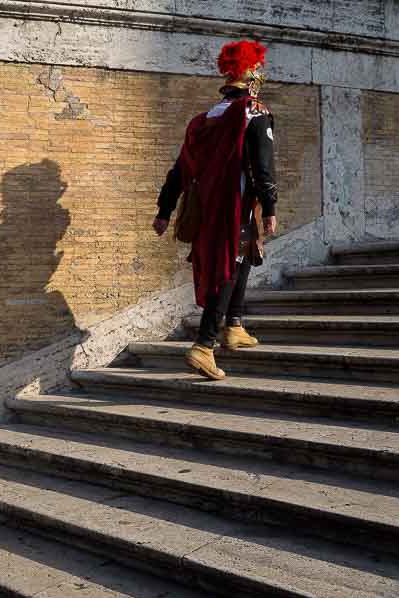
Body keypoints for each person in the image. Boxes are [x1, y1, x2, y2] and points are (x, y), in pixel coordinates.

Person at [153, 40, 279, 380]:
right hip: (233, 205)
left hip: (206, 206)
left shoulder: (203, 119)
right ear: (251, 77)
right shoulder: (255, 113)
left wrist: (165, 209)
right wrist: (270, 205)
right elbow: (264, 165)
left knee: (244, 254)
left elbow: (181, 168)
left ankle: (234, 325)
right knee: (229, 264)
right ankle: (204, 345)